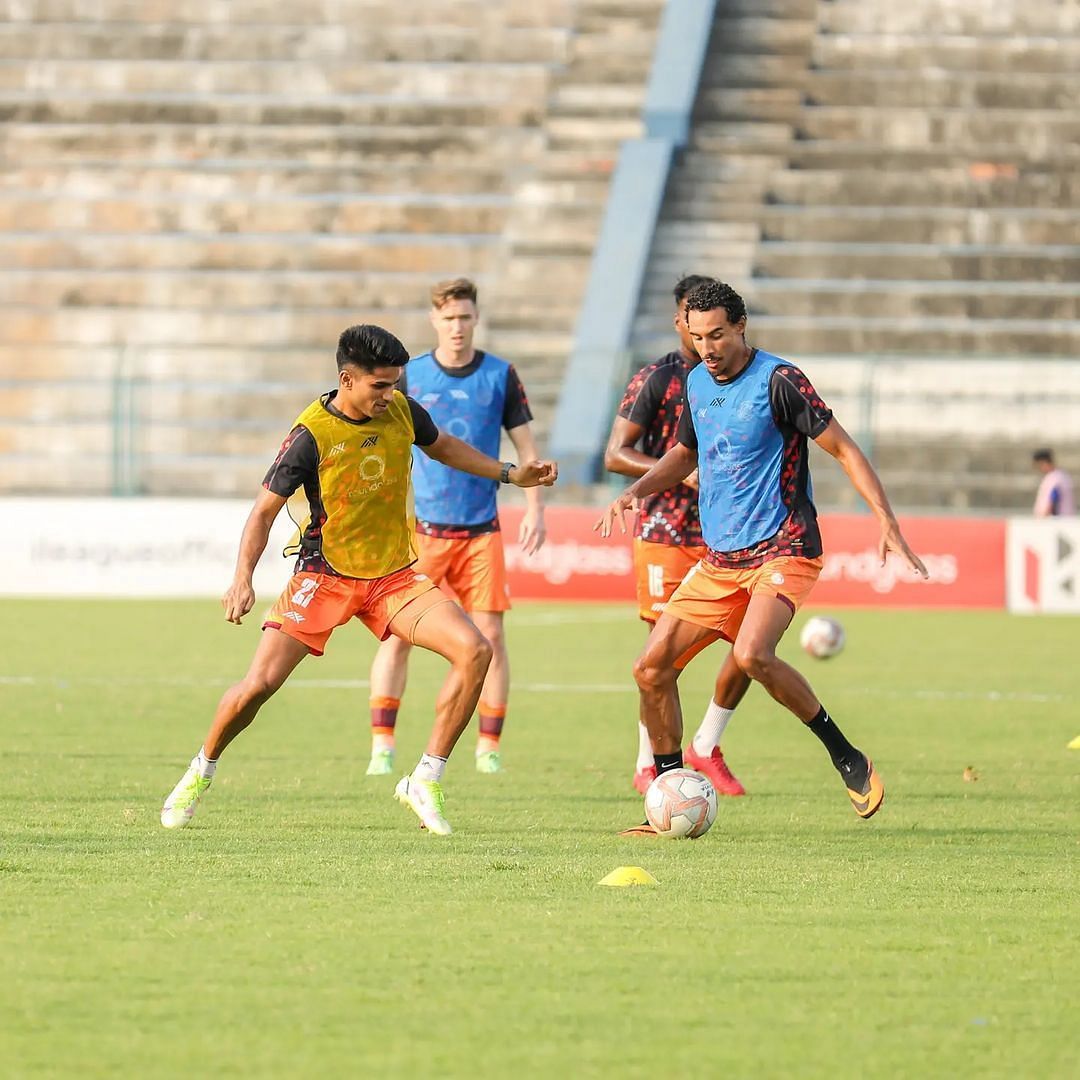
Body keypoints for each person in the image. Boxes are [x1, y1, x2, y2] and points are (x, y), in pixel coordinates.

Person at [160, 324, 557, 836]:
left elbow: (445, 447)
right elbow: (262, 513)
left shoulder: (401, 411)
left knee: (476, 651)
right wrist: (242, 578)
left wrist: (509, 474)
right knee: (258, 687)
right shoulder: (309, 435)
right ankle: (200, 771)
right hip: (325, 576)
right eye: (379, 386)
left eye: (394, 385)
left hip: (392, 578)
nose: (390, 396)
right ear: (347, 380)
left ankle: (425, 779)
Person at [596, 281, 927, 832]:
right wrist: (638, 489)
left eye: (719, 334)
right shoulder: (696, 382)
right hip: (722, 559)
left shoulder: (780, 380)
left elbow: (844, 448)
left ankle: (847, 756)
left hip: (784, 545)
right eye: (698, 336)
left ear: (741, 326)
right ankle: (671, 789)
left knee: (752, 655)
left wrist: (886, 520)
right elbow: (684, 453)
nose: (708, 347)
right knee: (650, 669)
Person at [365, 278, 546, 777]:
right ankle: (383, 744)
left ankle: (488, 746)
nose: (458, 327)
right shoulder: (410, 376)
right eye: (448, 319)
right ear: (434, 321)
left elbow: (526, 450)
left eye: (465, 317)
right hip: (421, 533)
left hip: (481, 531)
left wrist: (535, 508)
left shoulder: (499, 375)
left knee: (491, 636)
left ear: (476, 318)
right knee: (397, 636)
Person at [604, 274, 748, 798]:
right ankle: (649, 764)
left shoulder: (745, 380)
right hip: (664, 529)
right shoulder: (657, 379)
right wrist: (680, 472)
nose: (701, 333)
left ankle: (706, 744)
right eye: (692, 320)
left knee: (751, 645)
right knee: (661, 658)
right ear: (680, 321)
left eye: (712, 326)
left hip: (726, 535)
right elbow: (615, 454)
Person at [1032, 449, 1075, 517]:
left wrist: (1047, 517)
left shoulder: (1055, 478)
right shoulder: (1059, 476)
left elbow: (1054, 498)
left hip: (1056, 522)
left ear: (1043, 462)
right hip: (1060, 521)